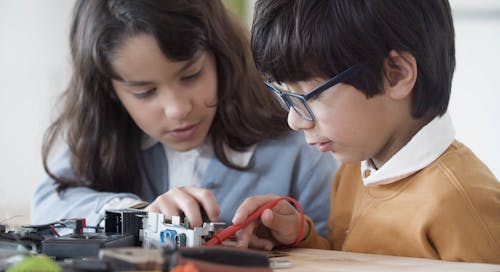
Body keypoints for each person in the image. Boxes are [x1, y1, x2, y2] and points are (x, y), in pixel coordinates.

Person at [31, 0, 338, 238]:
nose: (178, 109)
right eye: (145, 92)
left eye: (191, 75)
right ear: (109, 91)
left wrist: (295, 234)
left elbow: (333, 250)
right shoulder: (106, 140)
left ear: (221, 57)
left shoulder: (297, 137)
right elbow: (46, 205)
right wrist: (135, 215)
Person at [233, 0, 500, 263]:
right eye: (286, 97)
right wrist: (300, 237)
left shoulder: (463, 203)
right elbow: (352, 264)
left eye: (308, 97)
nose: (294, 121)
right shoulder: (352, 173)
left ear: (394, 75)